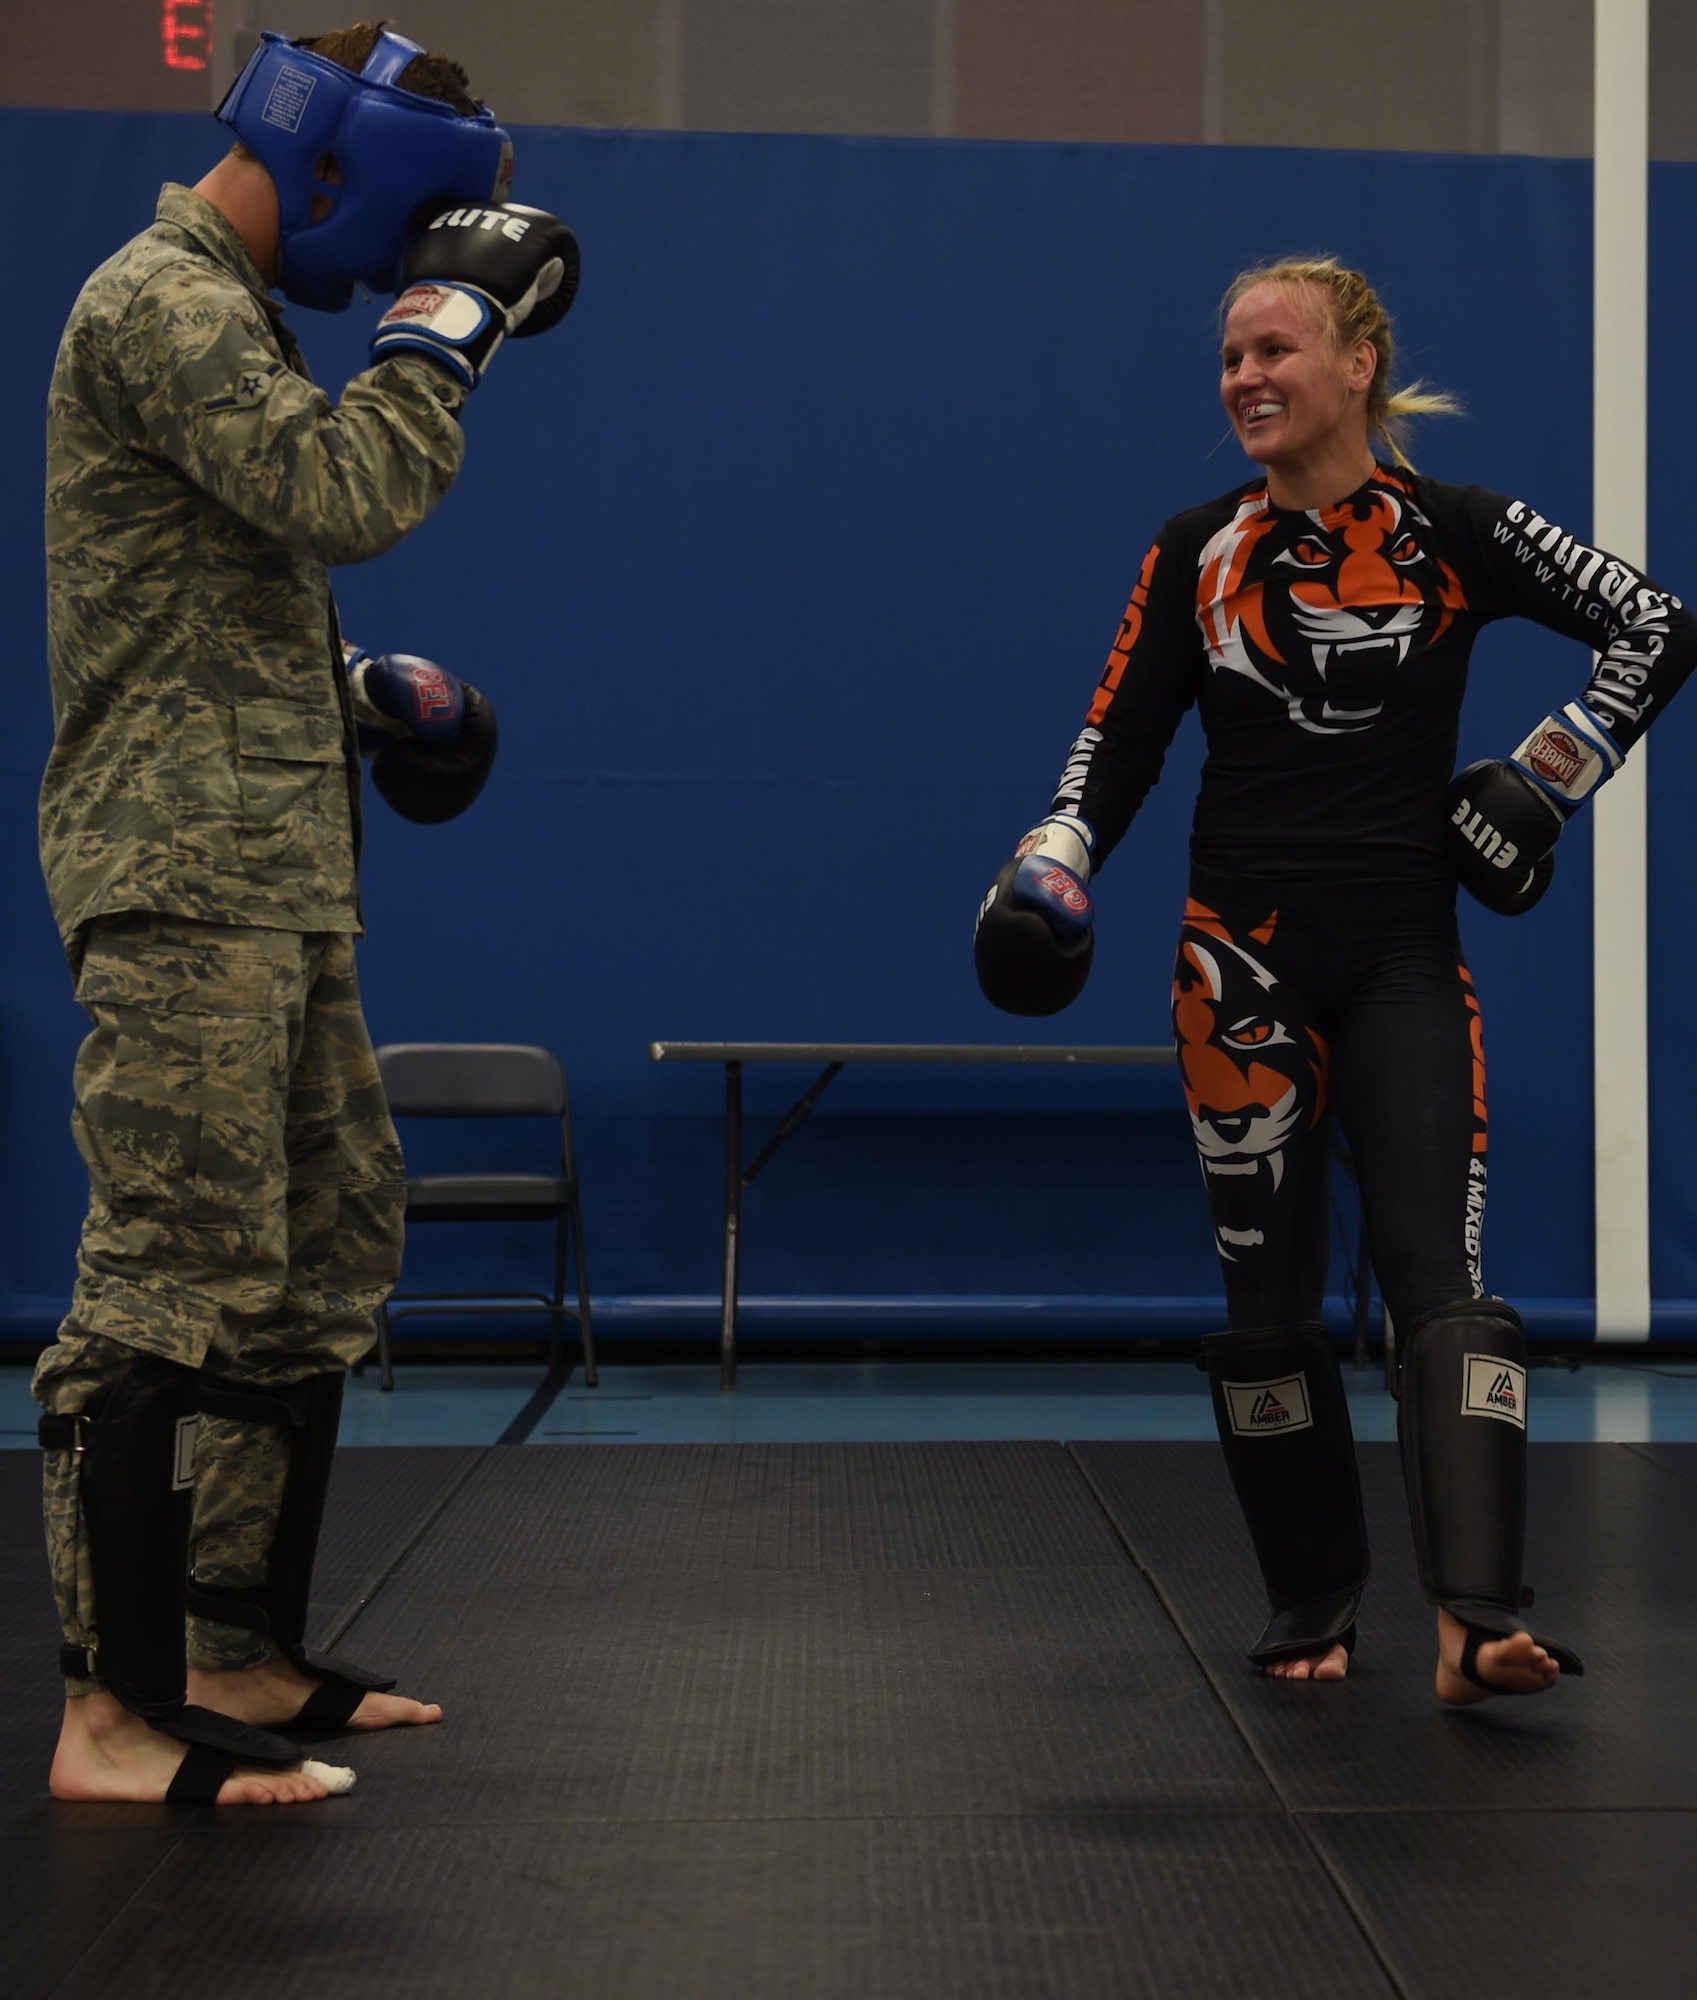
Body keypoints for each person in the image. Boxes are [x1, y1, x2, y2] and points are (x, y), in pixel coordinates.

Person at [974, 255, 1696, 1701]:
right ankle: (1311, 1600)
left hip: (1402, 960)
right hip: (1232, 970)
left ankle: (1474, 1615)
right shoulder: (1193, 551)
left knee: (1444, 1284)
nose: (1244, 377)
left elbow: (1658, 622)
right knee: (1266, 1309)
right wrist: (1048, 865)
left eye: (1274, 350)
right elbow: (1115, 740)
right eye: (1230, 356)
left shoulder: (1457, 529)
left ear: (1357, 364)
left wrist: (1550, 775)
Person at [34, 22, 577, 1806]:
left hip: (273, 868)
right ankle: (105, 1719)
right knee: (169, 1270)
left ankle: (235, 1653)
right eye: (418, 224)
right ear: (336, 157)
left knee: (326, 1246)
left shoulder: (229, 314)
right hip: (183, 879)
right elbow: (342, 489)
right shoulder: (162, 296)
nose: (401, 266)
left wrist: (353, 686)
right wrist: (446, 333)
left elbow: (205, 577)